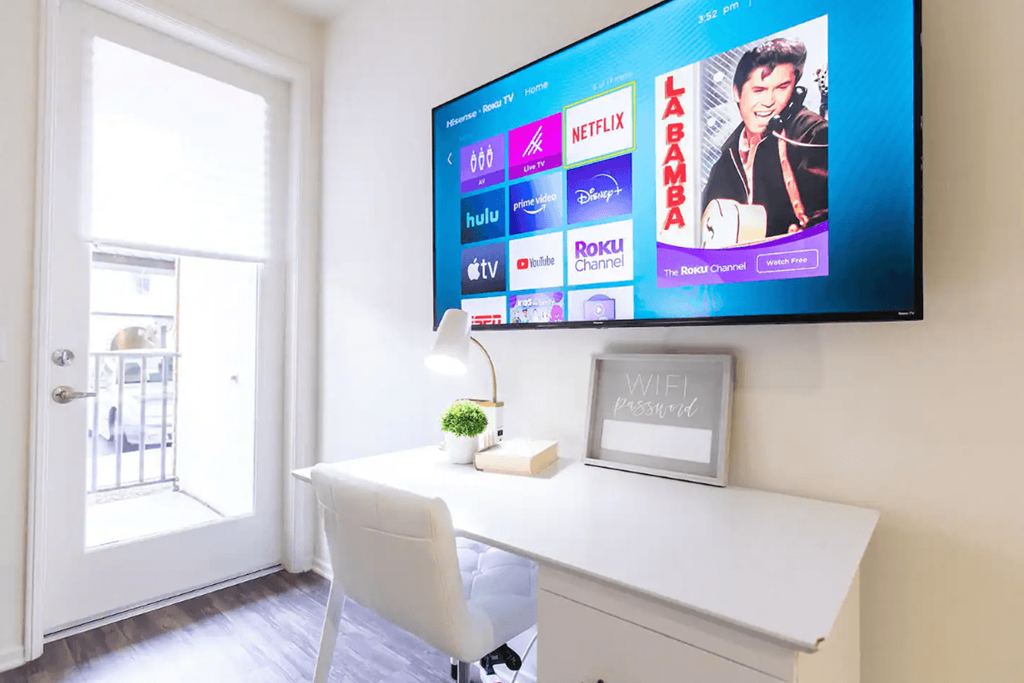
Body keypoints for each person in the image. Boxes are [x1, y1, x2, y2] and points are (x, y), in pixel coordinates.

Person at [702, 38, 828, 240]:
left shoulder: (812, 135)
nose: (769, 102)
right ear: (737, 92)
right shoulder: (728, 157)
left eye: (782, 88)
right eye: (759, 90)